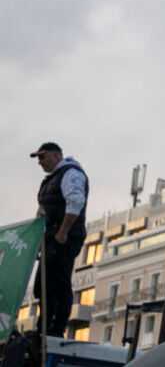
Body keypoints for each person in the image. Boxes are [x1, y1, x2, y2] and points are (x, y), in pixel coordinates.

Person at [31, 142, 89, 338]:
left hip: (62, 238)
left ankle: (56, 329)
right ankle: (44, 327)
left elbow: (76, 201)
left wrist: (62, 232)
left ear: (56, 155)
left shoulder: (70, 174)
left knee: (58, 282)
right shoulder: (51, 180)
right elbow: (44, 210)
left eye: (43, 157)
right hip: (52, 237)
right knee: (43, 285)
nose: (40, 162)